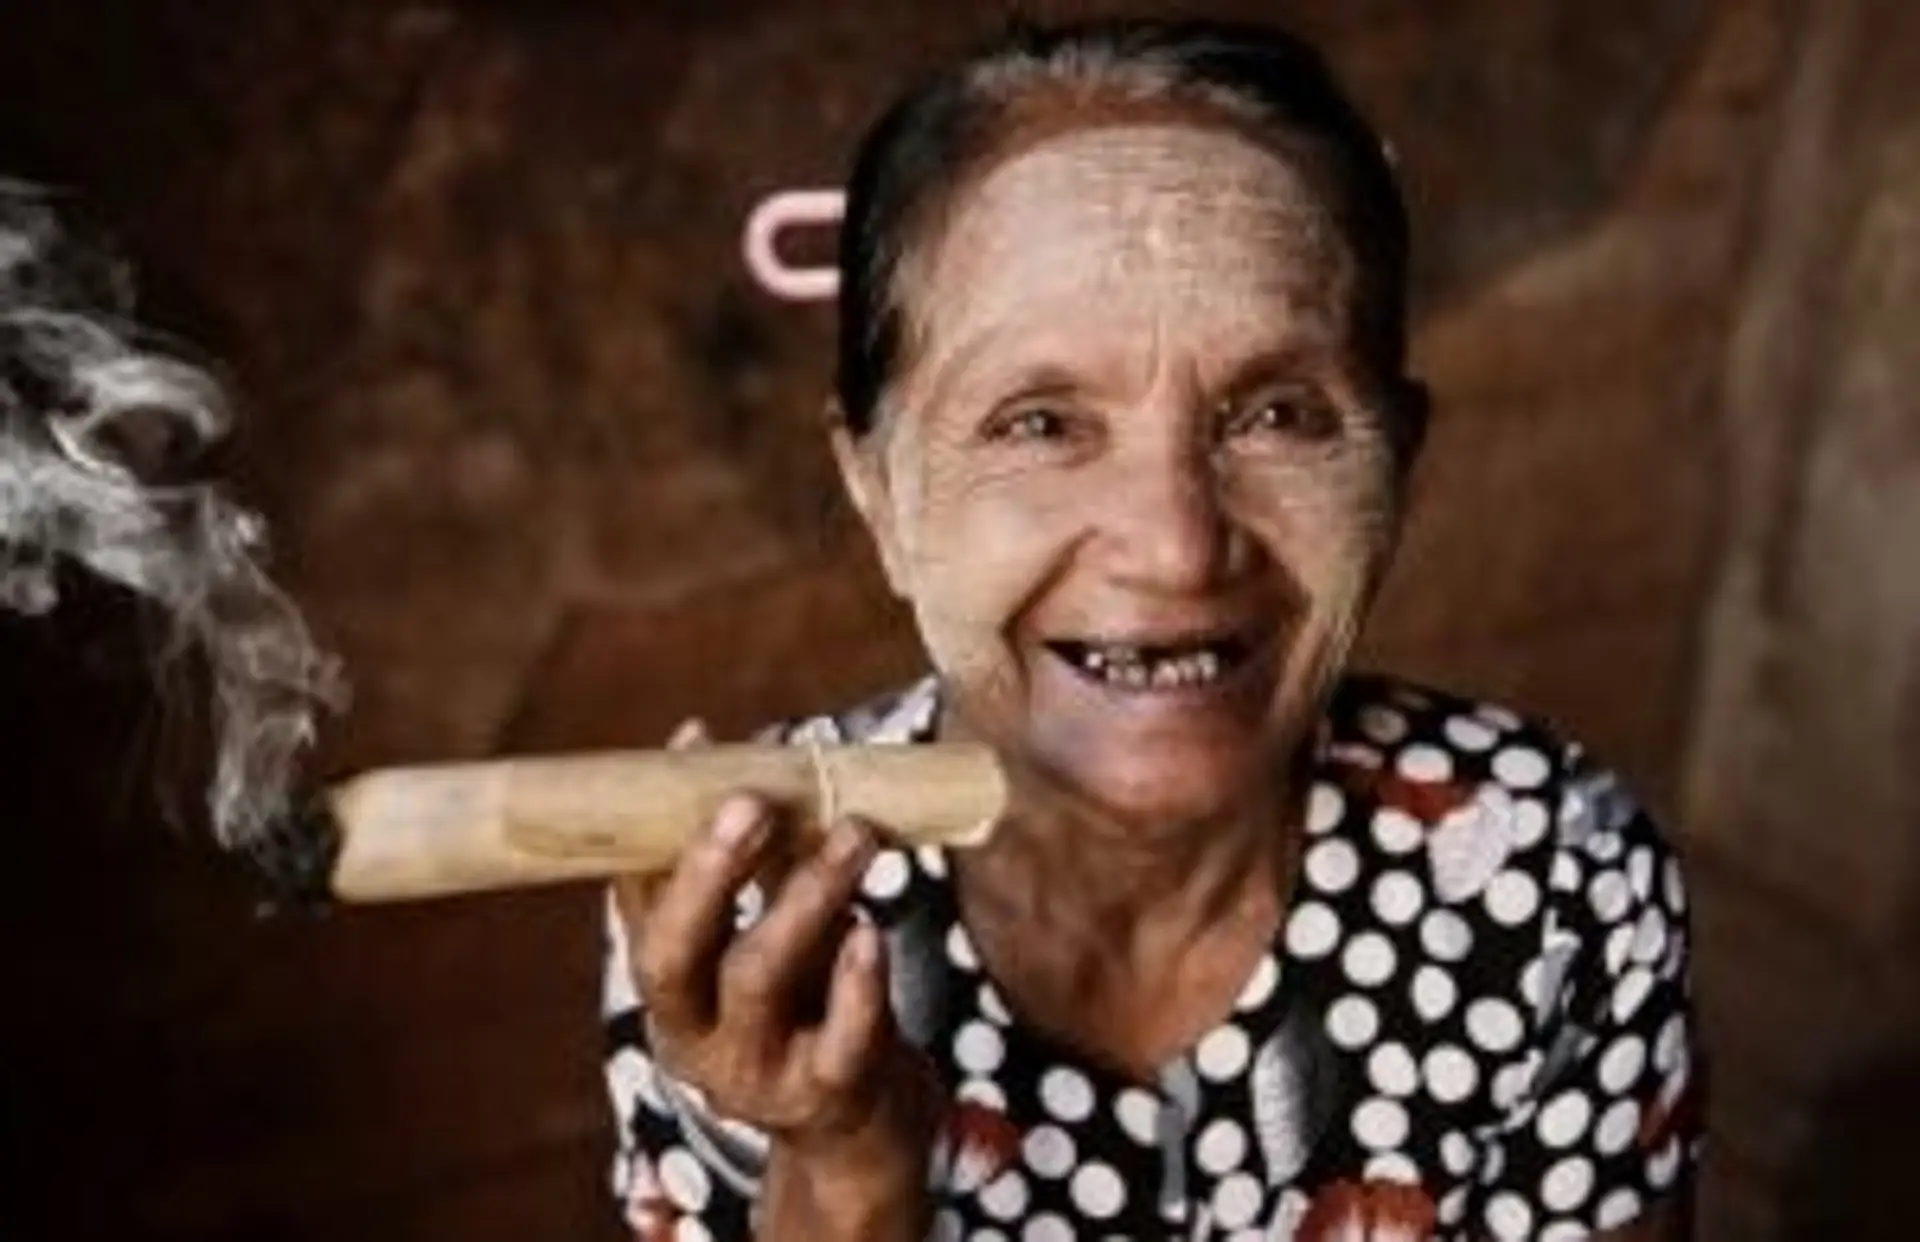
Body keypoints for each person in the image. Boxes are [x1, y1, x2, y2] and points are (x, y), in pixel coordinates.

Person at [602, 18, 1702, 1242]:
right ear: (879, 491)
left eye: (1280, 412)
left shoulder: (1548, 874)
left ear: (1401, 462)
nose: (1178, 545)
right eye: (1039, 423)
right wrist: (849, 1172)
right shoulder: (752, 912)